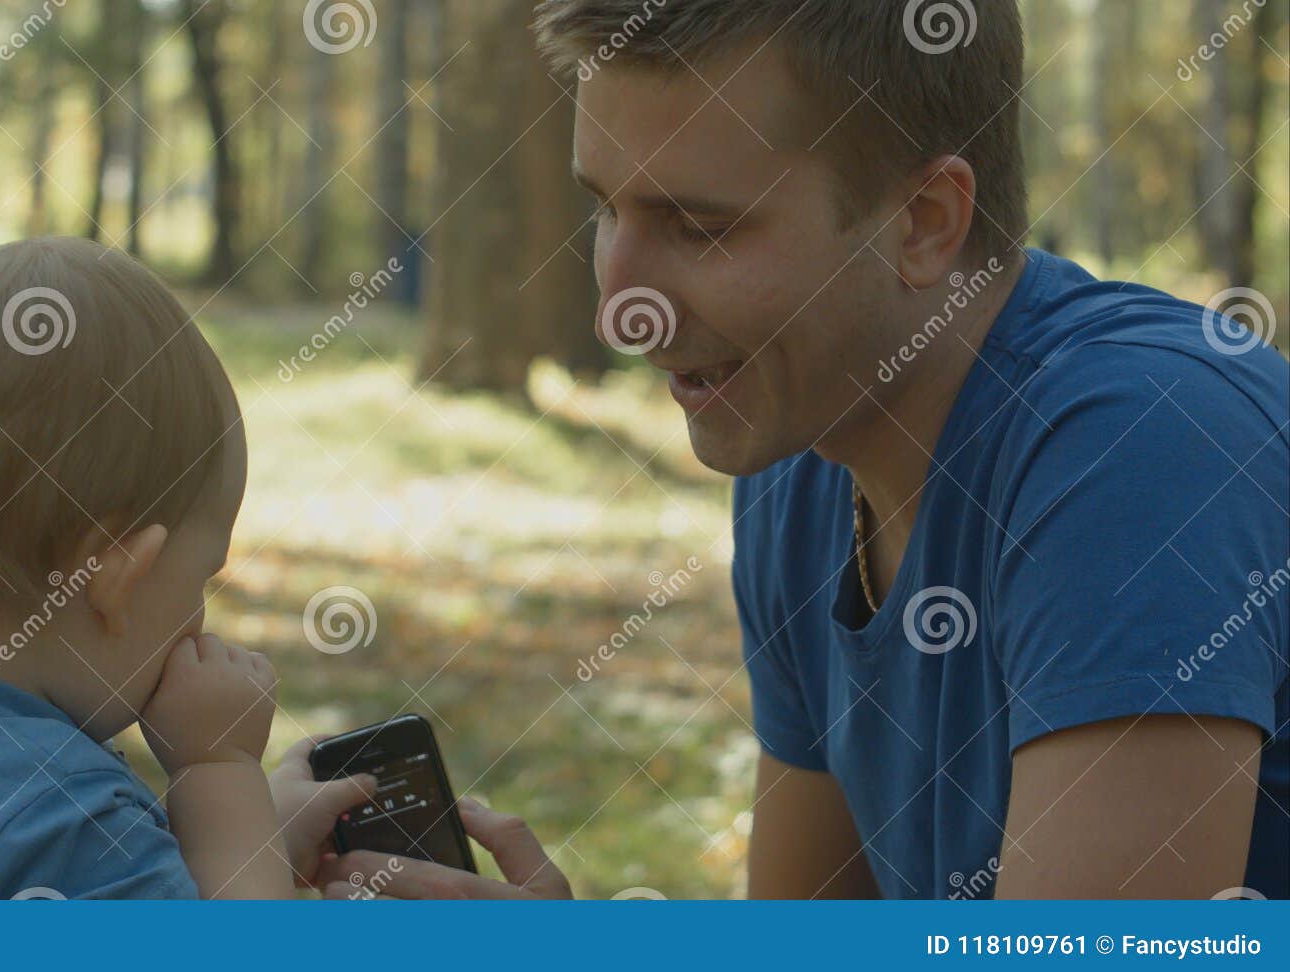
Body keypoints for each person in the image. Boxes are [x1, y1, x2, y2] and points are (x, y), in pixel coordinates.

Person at [318, 0, 1289, 899]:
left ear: (924, 223)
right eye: (606, 209)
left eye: (698, 227)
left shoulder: (1143, 449)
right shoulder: (805, 456)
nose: (619, 308)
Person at [0, 236, 375, 898]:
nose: (200, 615)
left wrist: (255, 840)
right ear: (113, 574)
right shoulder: (62, 821)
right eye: (201, 576)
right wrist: (219, 772)